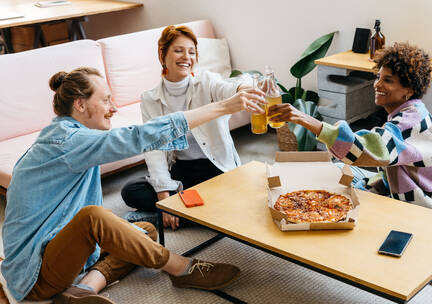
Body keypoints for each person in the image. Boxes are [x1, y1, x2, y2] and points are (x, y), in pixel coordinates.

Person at [1, 67, 266, 303]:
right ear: (80, 105)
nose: (113, 107)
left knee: (145, 231)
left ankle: (83, 291)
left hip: (62, 249)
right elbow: (138, 137)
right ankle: (182, 268)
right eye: (105, 100)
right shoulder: (66, 142)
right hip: (34, 272)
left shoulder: (68, 135)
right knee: (93, 218)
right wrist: (225, 106)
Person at [268, 42, 432, 216]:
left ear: (409, 90)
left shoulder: (410, 122)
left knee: (339, 191)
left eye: (388, 80)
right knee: (337, 171)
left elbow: (363, 149)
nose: (377, 84)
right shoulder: (413, 111)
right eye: (378, 77)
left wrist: (305, 119)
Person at [121, 25, 253, 230]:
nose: (186, 57)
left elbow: (231, 86)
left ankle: (159, 218)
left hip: (215, 166)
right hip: (181, 171)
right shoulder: (150, 99)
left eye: (192, 52)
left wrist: (242, 89)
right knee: (131, 191)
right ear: (163, 54)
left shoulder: (207, 82)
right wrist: (164, 197)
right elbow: (153, 148)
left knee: (235, 199)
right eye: (178, 50)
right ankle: (191, 213)